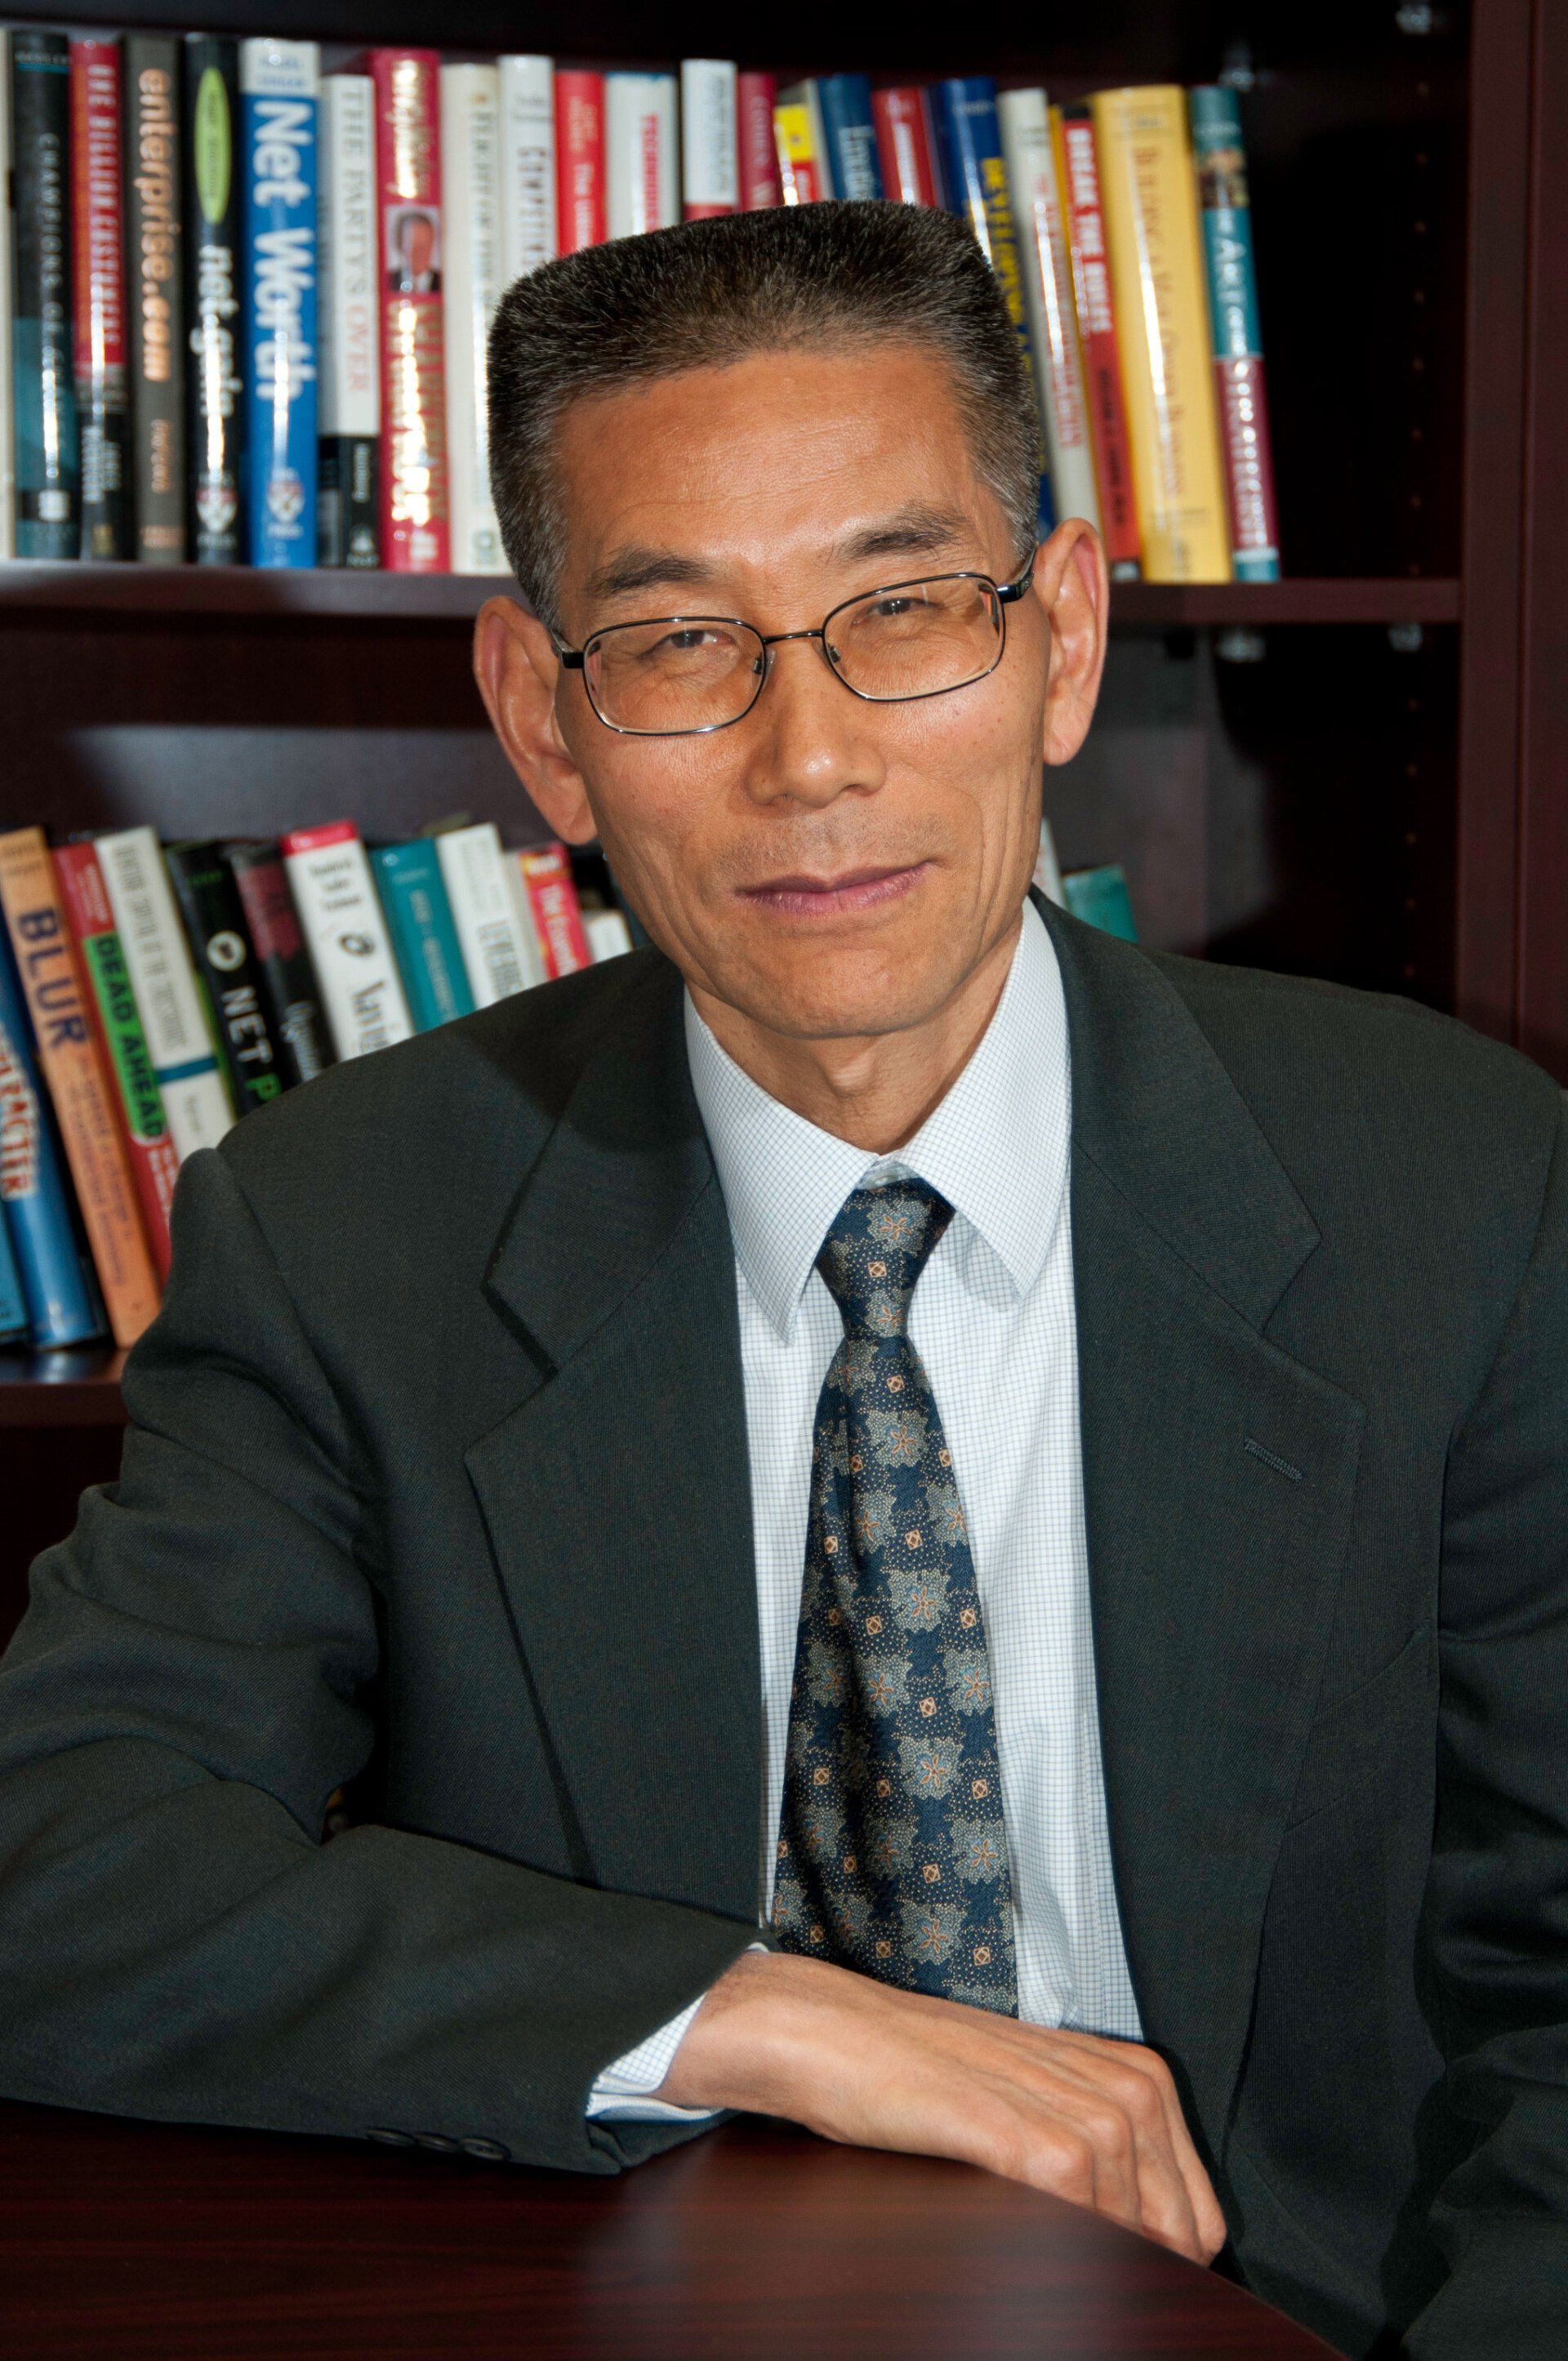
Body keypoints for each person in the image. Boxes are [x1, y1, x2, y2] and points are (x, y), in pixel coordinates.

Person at [0, 203, 1563, 2361]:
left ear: (1065, 640)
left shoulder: (1456, 1194)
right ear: (543, 726)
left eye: (901, 610)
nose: (809, 758)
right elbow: (49, 1864)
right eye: (679, 646)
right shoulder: (350, 1225)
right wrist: (750, 2013)